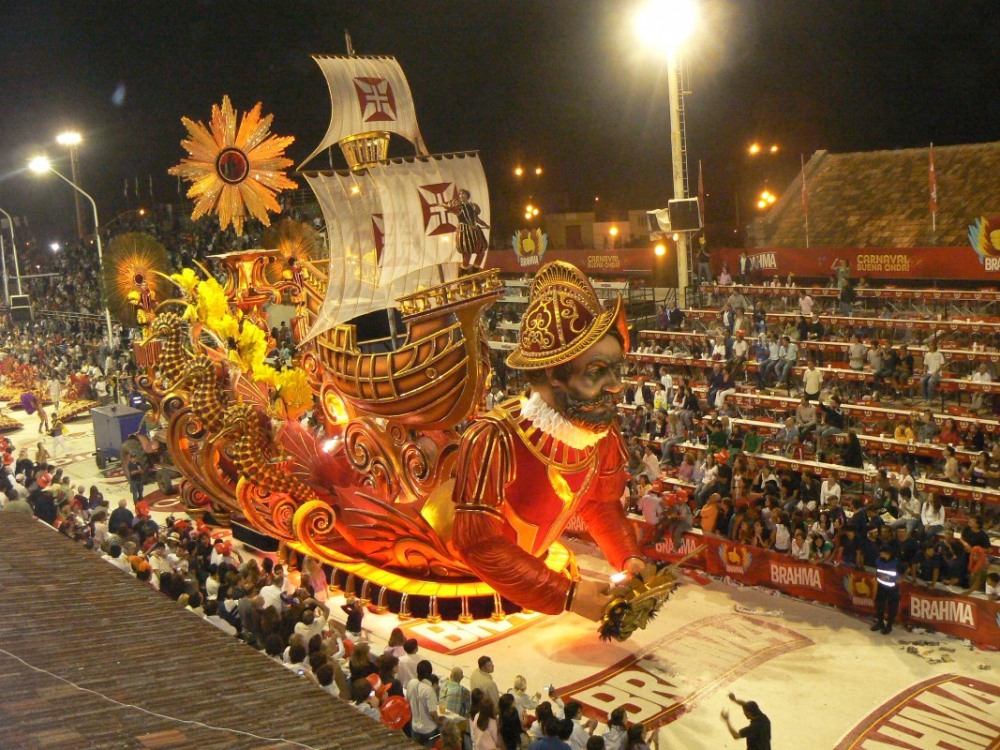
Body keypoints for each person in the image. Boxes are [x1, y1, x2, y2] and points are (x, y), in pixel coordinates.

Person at [452, 263, 647, 619]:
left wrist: (627, 556)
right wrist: (567, 595)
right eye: (596, 372)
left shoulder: (599, 435)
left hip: (536, 572)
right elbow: (477, 543)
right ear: (552, 375)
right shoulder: (495, 437)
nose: (617, 385)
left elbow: (599, 504)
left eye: (617, 369)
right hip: (462, 580)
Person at [871, 543, 902, 635]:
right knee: (880, 605)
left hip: (893, 589)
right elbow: (878, 570)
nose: (880, 553)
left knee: (892, 607)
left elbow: (906, 569)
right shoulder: (878, 560)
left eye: (882, 552)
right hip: (881, 586)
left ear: (887, 553)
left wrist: (901, 579)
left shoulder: (897, 563)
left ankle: (889, 626)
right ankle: (880, 623)